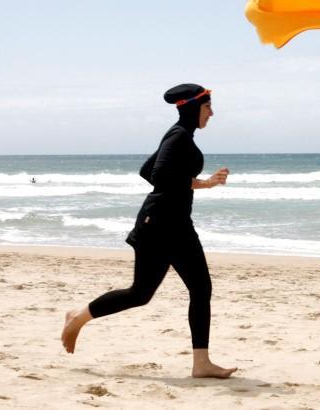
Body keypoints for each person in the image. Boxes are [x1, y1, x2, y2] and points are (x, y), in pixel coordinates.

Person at [61, 84, 236, 379]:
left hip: (173, 223)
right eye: (208, 107)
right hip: (162, 225)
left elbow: (148, 171)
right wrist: (201, 183)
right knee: (148, 293)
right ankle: (78, 316)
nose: (212, 113)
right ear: (195, 107)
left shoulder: (177, 135)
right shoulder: (179, 136)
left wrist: (204, 183)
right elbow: (158, 175)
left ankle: (201, 363)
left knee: (184, 289)